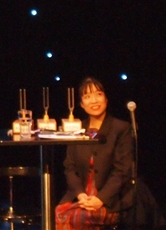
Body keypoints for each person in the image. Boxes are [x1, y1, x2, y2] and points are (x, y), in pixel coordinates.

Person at [55, 78, 134, 230]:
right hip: (82, 194)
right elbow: (69, 168)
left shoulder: (121, 128)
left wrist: (100, 199)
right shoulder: (77, 128)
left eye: (98, 94)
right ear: (81, 104)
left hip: (111, 197)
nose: (94, 101)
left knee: (79, 218)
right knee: (59, 213)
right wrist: (80, 194)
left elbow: (122, 171)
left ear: (106, 99)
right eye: (87, 97)